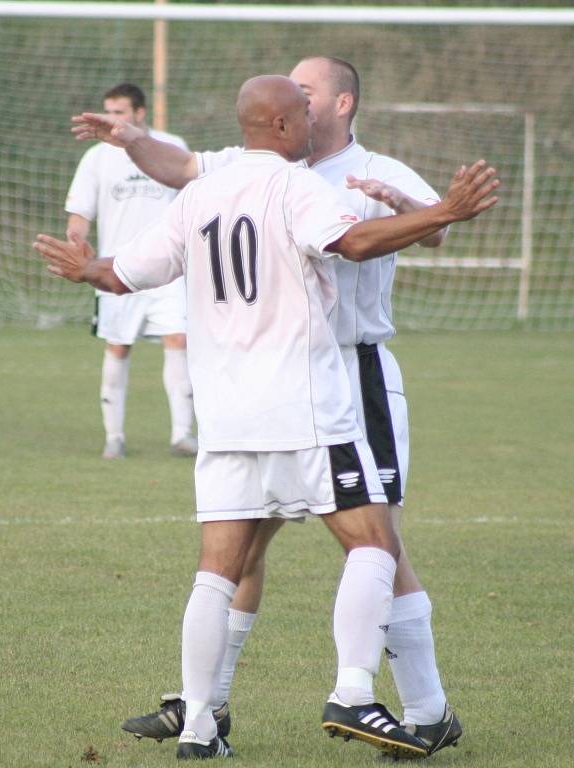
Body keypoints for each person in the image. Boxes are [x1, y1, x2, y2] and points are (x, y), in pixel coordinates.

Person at [49, 76, 499, 761]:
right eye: (304, 113)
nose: (312, 123)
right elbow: (353, 244)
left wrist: (86, 269)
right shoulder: (295, 187)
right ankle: (353, 690)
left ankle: (200, 727)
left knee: (217, 570)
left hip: (225, 418)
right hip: (305, 407)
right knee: (375, 542)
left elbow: (126, 274)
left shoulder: (200, 194)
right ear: (287, 129)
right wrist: (447, 212)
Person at [66, 82, 197, 459]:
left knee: (178, 339)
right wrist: (77, 241)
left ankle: (181, 434)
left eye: (120, 112)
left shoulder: (173, 145)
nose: (112, 119)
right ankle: (114, 437)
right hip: (116, 269)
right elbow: (79, 214)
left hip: (171, 270)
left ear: (140, 113)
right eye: (108, 111)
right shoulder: (96, 157)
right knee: (118, 346)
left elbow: (193, 199)